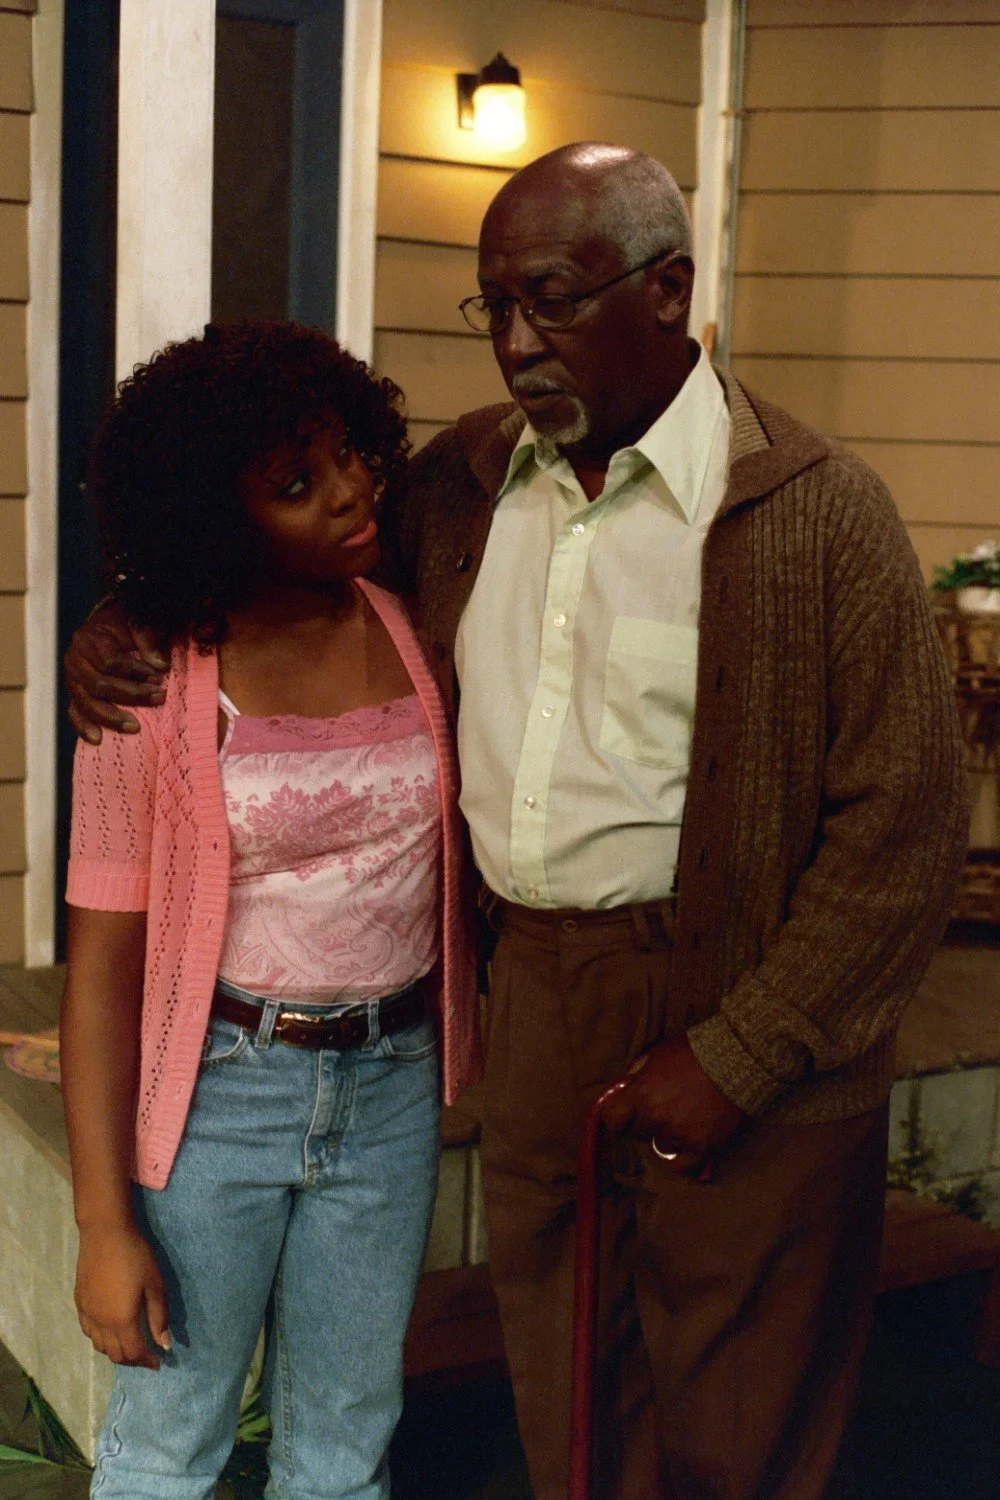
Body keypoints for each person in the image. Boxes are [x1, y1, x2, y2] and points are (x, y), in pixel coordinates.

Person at [66, 146, 967, 1500]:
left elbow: (905, 829)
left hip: (737, 994)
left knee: (737, 1402)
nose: (512, 343)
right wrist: (129, 610)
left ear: (670, 291)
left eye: (546, 298)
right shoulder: (466, 485)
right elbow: (246, 543)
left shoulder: (815, 513)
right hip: (525, 993)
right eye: (489, 306)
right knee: (568, 1383)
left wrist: (745, 1049)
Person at [60, 320, 480, 1500]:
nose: (348, 494)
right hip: (218, 1095)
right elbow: (101, 975)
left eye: (348, 453)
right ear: (215, 516)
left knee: (345, 1444)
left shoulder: (411, 620)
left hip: (391, 1086)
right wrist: (105, 1227)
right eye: (294, 486)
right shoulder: (150, 677)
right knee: (168, 1440)